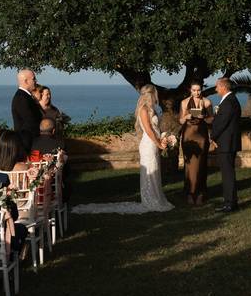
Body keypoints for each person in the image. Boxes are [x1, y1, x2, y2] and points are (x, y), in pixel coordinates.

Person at [72, 84, 174, 214]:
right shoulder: (143, 110)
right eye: (155, 94)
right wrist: (159, 143)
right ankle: (150, 200)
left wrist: (163, 138)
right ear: (151, 95)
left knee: (155, 170)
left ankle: (156, 198)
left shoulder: (152, 109)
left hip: (154, 142)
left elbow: (155, 128)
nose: (156, 97)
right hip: (148, 144)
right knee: (150, 169)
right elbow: (148, 130)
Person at [210, 77, 242, 212]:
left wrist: (212, 137)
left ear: (223, 87)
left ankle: (230, 203)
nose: (216, 89)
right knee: (227, 173)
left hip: (226, 144)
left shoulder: (228, 102)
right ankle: (230, 202)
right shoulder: (230, 100)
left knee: (227, 174)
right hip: (227, 143)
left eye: (217, 86)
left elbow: (222, 123)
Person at [179, 80, 212, 206]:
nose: (196, 92)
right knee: (189, 165)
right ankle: (189, 193)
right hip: (188, 136)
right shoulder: (184, 102)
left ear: (201, 89)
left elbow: (211, 120)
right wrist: (186, 117)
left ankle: (200, 194)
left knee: (201, 164)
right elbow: (181, 121)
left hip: (201, 136)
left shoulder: (207, 102)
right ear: (190, 90)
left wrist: (205, 117)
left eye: (199, 90)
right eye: (194, 90)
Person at [12, 69, 43, 150]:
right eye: (33, 79)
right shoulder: (22, 98)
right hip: (27, 143)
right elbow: (31, 122)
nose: (36, 81)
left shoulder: (25, 96)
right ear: (26, 81)